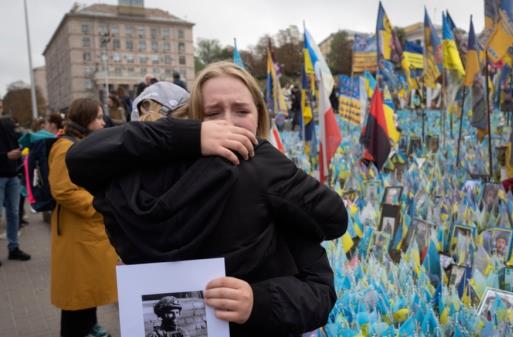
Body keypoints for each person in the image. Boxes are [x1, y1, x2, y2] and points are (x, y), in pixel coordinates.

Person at [67, 61, 347, 337]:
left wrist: (257, 301)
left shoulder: (274, 183)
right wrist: (188, 137)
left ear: (259, 115)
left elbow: (319, 291)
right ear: (194, 121)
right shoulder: (163, 183)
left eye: (241, 110)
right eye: (213, 114)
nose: (227, 123)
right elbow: (81, 158)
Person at [49, 98, 118, 337]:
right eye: (98, 117)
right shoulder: (65, 147)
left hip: (85, 230)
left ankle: (90, 326)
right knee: (76, 294)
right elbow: (63, 191)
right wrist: (98, 205)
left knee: (88, 288)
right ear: (85, 119)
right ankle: (78, 331)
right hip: (76, 232)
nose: (102, 122)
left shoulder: (80, 143)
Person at [0, 116, 31, 264]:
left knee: (14, 213)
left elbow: (18, 142)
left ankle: (14, 248)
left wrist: (20, 153)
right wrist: (6, 156)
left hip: (13, 175)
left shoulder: (8, 123)